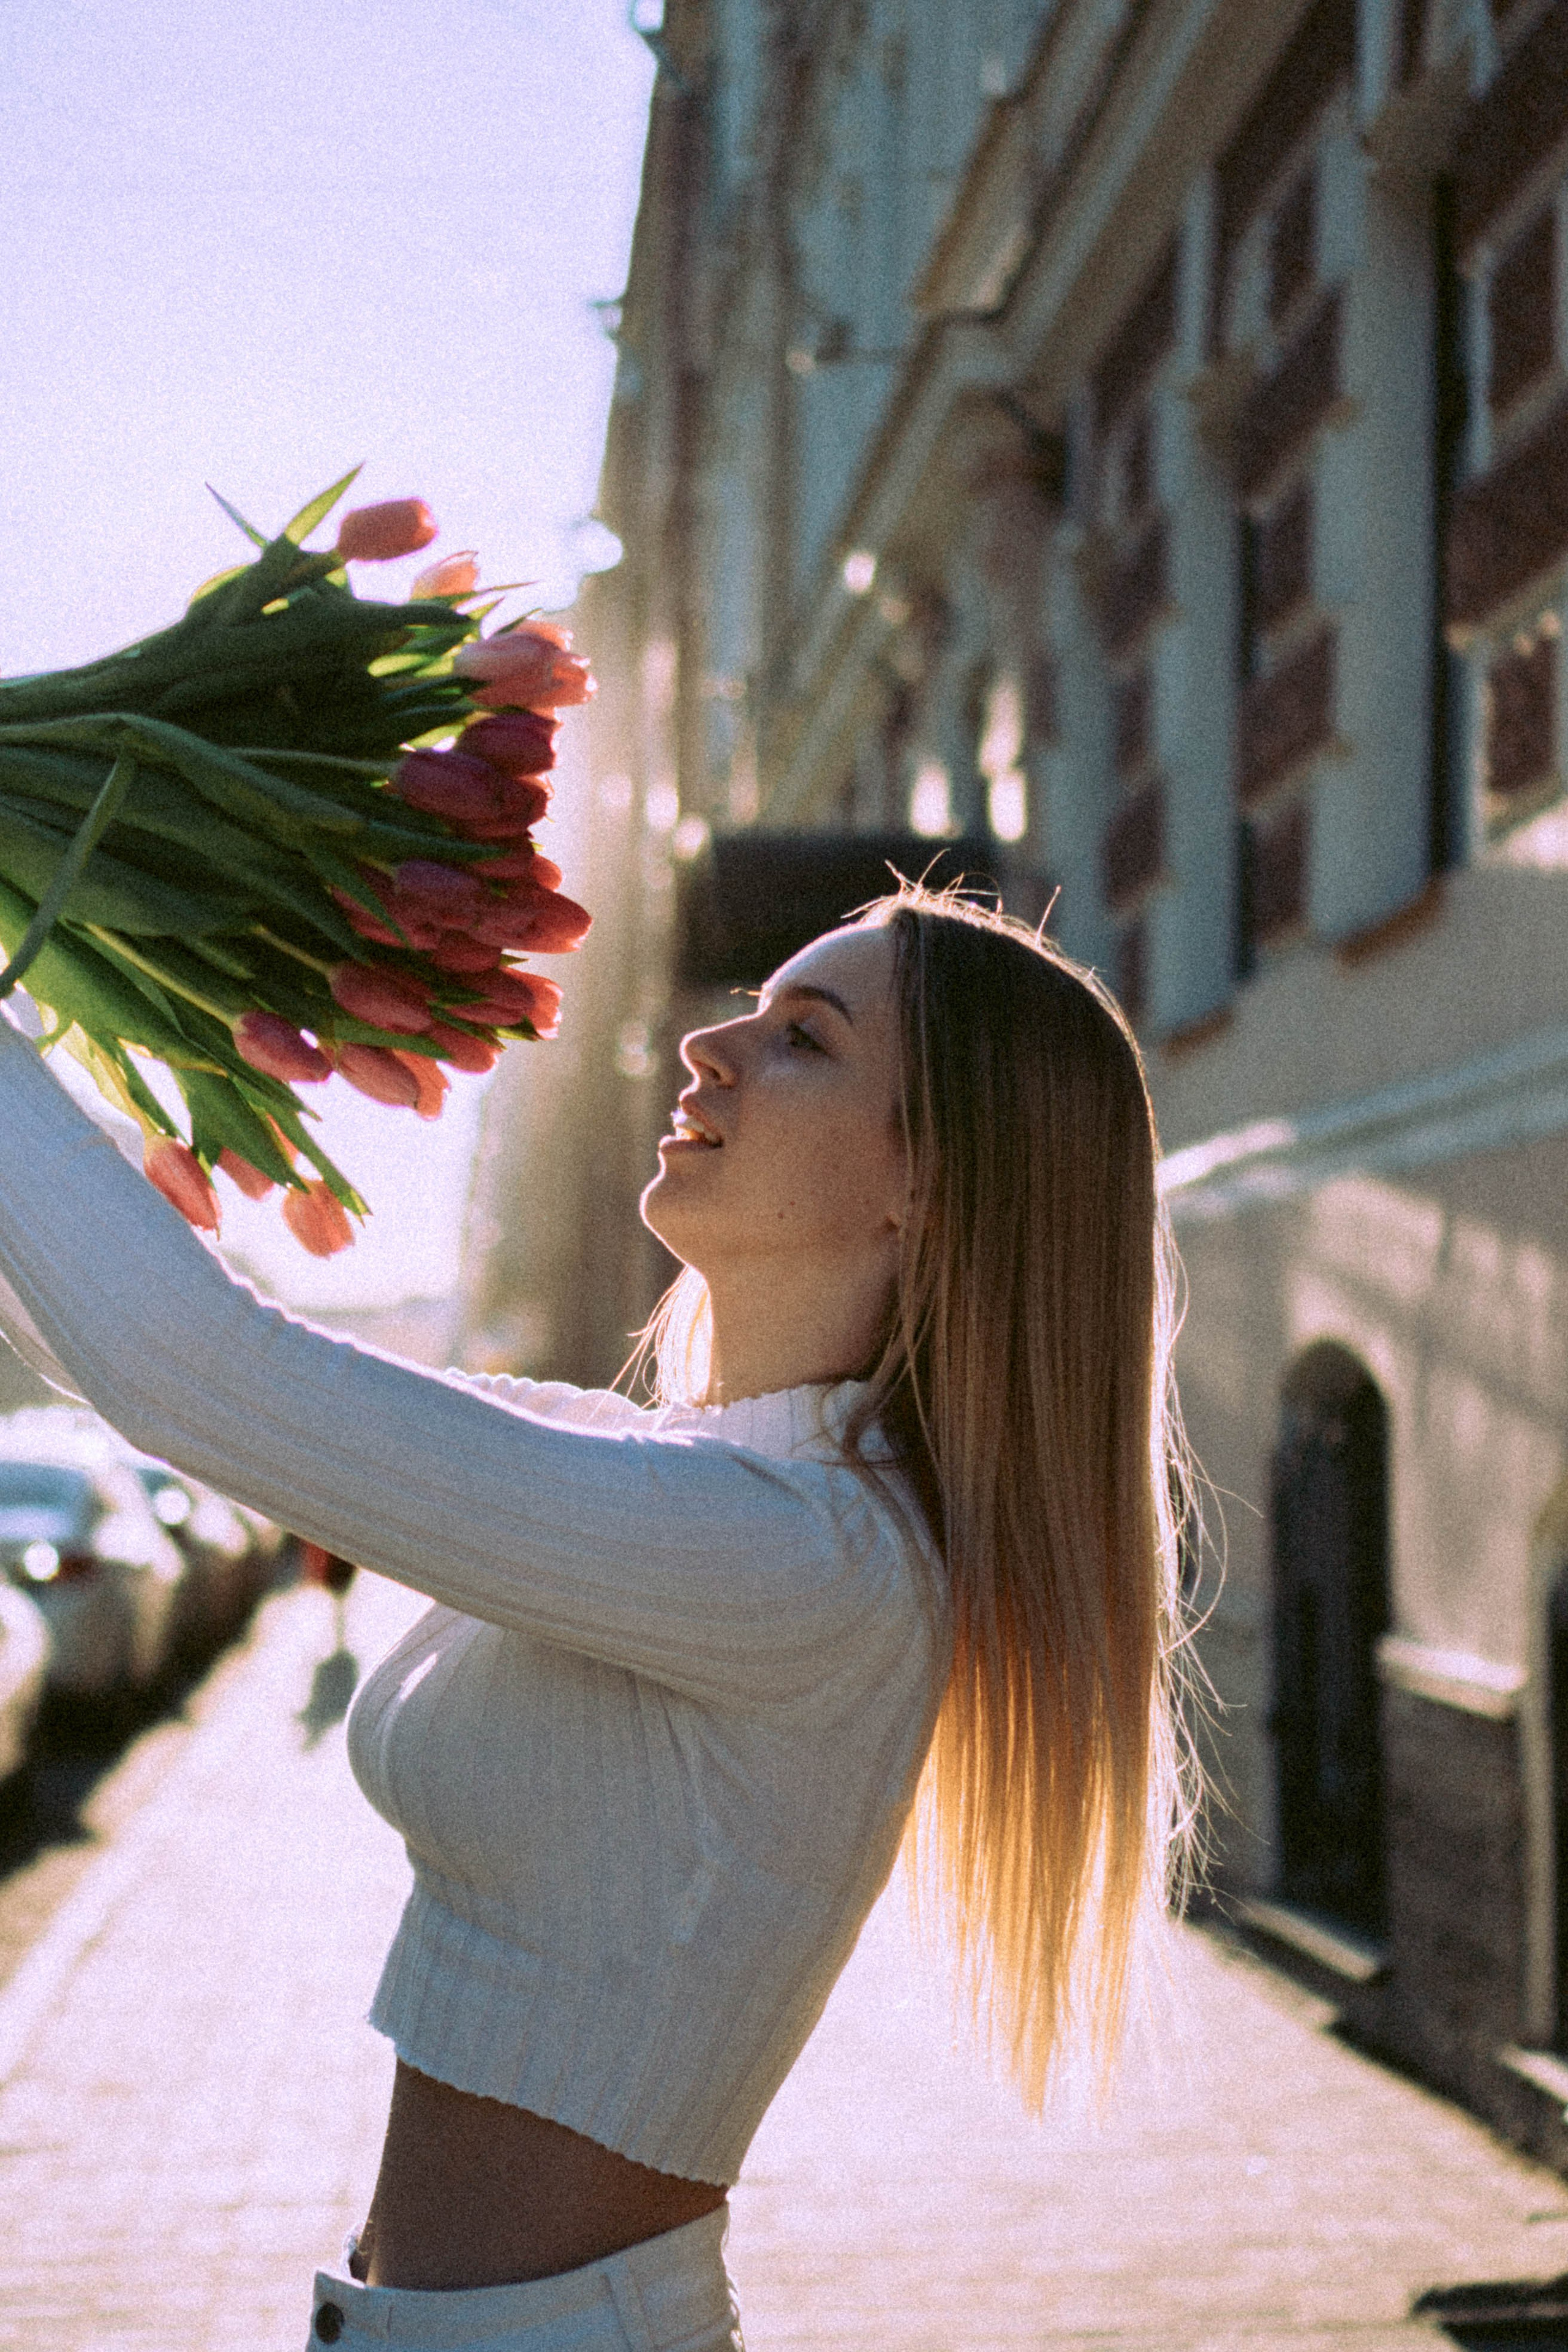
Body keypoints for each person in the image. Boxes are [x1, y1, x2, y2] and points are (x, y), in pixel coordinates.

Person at [0, 880, 1193, 2352]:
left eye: (803, 1039)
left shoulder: (806, 1560)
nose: (709, 1049)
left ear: (928, 1184)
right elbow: (140, 1352)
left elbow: (200, 1377)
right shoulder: (673, 1473)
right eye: (749, 1008)